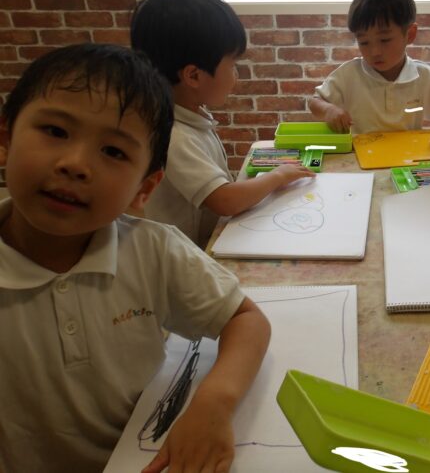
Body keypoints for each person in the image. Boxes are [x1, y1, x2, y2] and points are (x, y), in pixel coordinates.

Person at [0, 43, 271, 473]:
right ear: (6, 138)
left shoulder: (152, 249)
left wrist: (214, 402)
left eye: (113, 152)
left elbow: (247, 319)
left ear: (144, 188)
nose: (75, 164)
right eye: (55, 131)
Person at [130, 0, 314, 248]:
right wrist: (278, 176)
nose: (236, 76)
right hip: (182, 255)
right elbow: (226, 201)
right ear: (194, 76)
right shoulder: (174, 135)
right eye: (232, 65)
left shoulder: (190, 115)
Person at [308, 0, 430, 144]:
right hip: (359, 156)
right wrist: (328, 110)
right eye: (364, 42)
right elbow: (315, 102)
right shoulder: (348, 75)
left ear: (410, 34)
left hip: (407, 155)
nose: (374, 51)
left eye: (384, 40)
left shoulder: (425, 77)